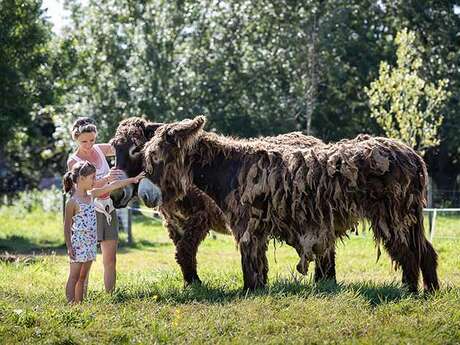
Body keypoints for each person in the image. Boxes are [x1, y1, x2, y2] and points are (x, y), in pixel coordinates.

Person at [63, 161, 144, 303]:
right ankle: (70, 307)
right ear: (81, 179)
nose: (95, 181)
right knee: (74, 277)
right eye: (92, 178)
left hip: (90, 244)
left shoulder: (92, 195)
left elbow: (112, 186)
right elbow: (66, 226)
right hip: (78, 245)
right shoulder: (72, 202)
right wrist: (69, 246)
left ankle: (79, 304)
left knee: (82, 277)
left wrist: (132, 180)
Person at [67, 117, 123, 293]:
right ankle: (80, 299)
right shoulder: (73, 161)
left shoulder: (100, 149)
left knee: (111, 259)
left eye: (92, 140)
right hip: (87, 212)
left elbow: (121, 147)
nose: (89, 144)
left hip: (108, 207)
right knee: (85, 263)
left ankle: (110, 296)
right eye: (84, 141)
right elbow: (85, 186)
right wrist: (107, 179)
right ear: (75, 138)